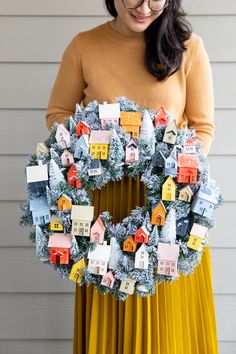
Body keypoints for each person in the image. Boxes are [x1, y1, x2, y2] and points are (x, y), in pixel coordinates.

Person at [45, 0, 219, 353]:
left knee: (169, 324)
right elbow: (58, 115)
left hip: (171, 211)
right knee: (113, 311)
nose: (144, 7)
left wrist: (174, 169)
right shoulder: (84, 46)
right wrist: (100, 143)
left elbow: (202, 129)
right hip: (105, 209)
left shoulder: (188, 48)